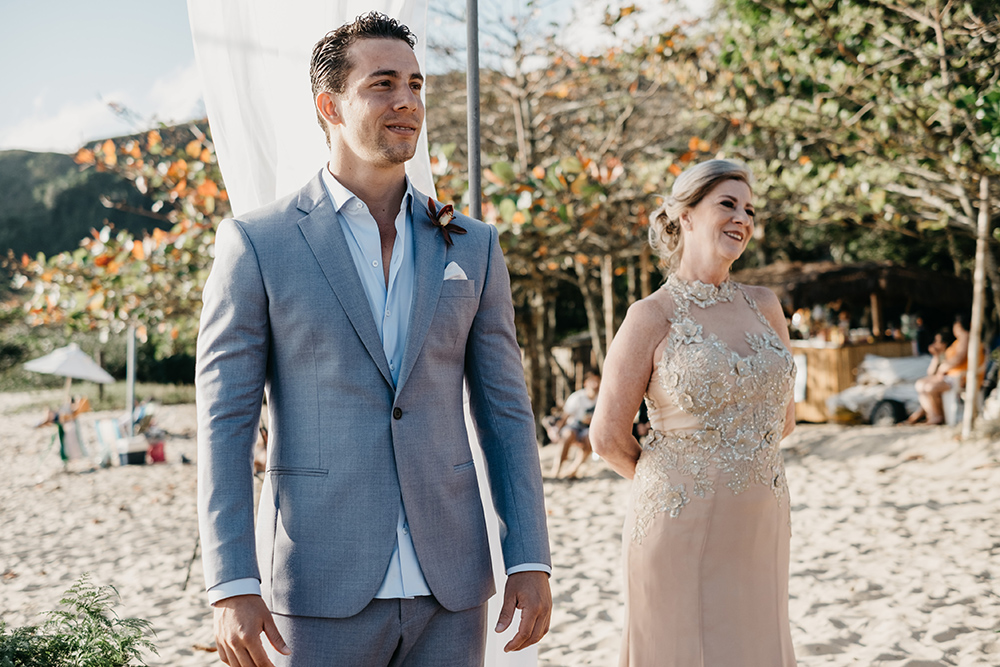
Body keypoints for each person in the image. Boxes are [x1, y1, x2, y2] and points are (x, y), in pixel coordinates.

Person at [196, 13, 551, 667]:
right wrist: (232, 582)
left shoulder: (472, 245)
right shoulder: (257, 243)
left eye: (415, 85)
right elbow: (225, 423)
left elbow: (506, 412)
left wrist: (528, 556)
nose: (407, 101)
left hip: (453, 586)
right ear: (329, 106)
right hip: (316, 581)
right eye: (382, 84)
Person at [590, 159, 798, 666]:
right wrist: (683, 477)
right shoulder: (651, 316)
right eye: (727, 204)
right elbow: (607, 437)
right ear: (684, 215)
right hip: (678, 523)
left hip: (761, 520)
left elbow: (785, 419)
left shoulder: (766, 306)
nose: (742, 218)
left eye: (749, 210)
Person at [905, 314, 983, 425]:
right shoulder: (959, 341)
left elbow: (959, 359)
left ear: (958, 326)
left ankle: (936, 416)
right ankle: (934, 415)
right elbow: (931, 371)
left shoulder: (966, 337)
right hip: (952, 377)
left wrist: (942, 369)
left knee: (929, 387)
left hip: (960, 378)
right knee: (921, 384)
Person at [549, 372, 600, 478]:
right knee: (568, 434)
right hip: (574, 426)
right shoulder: (577, 397)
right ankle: (557, 468)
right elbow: (565, 416)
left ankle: (573, 469)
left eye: (597, 381)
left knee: (590, 438)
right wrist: (557, 430)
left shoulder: (600, 398)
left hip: (589, 428)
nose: (595, 384)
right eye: (593, 381)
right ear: (586, 383)